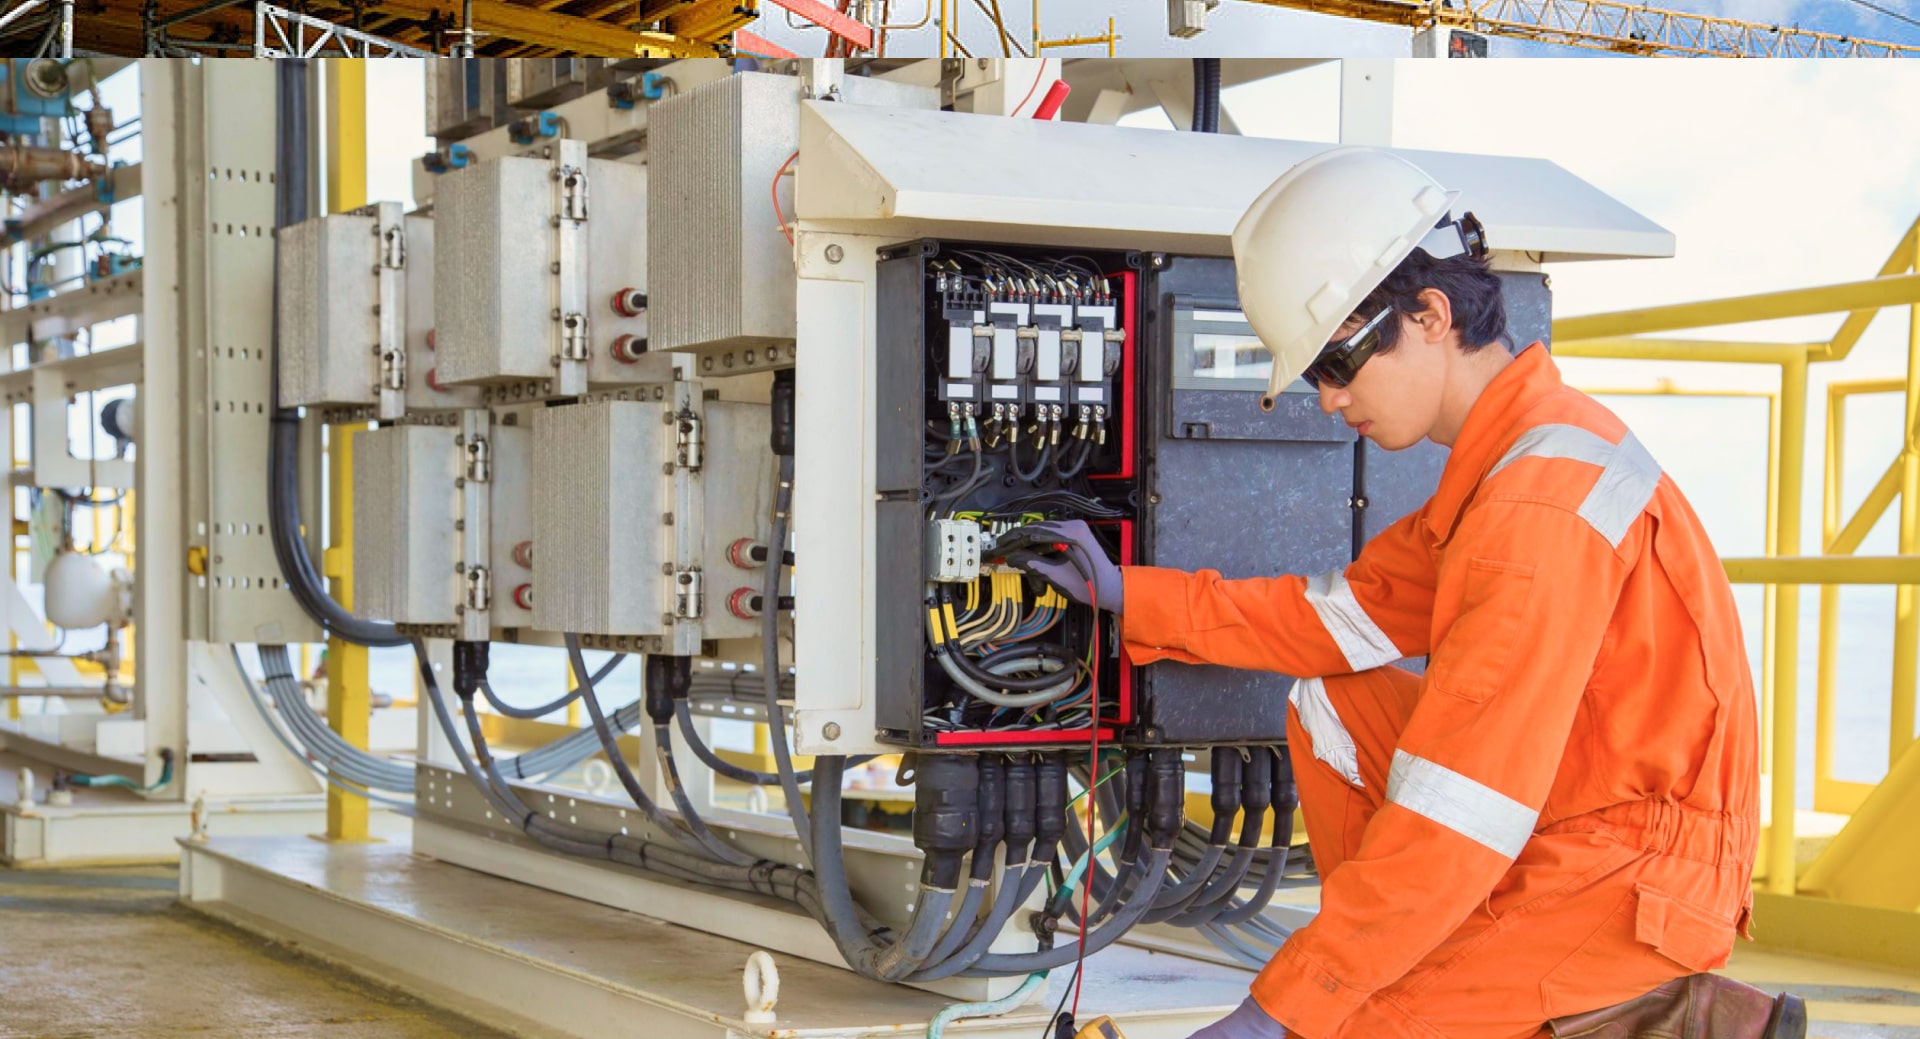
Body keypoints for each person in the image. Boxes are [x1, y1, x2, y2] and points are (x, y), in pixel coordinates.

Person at [1016, 148, 1801, 1039]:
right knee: (1331, 703)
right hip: (1568, 817)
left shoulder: (1536, 507)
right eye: (1313, 374)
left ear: (1430, 314)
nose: (1328, 399)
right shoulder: (1511, 464)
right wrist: (1132, 594)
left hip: (1631, 877)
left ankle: (1646, 1008)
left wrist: (1284, 1008)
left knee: (1348, 1017)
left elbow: (1463, 798)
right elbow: (1337, 619)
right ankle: (1439, 967)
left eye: (1337, 362)